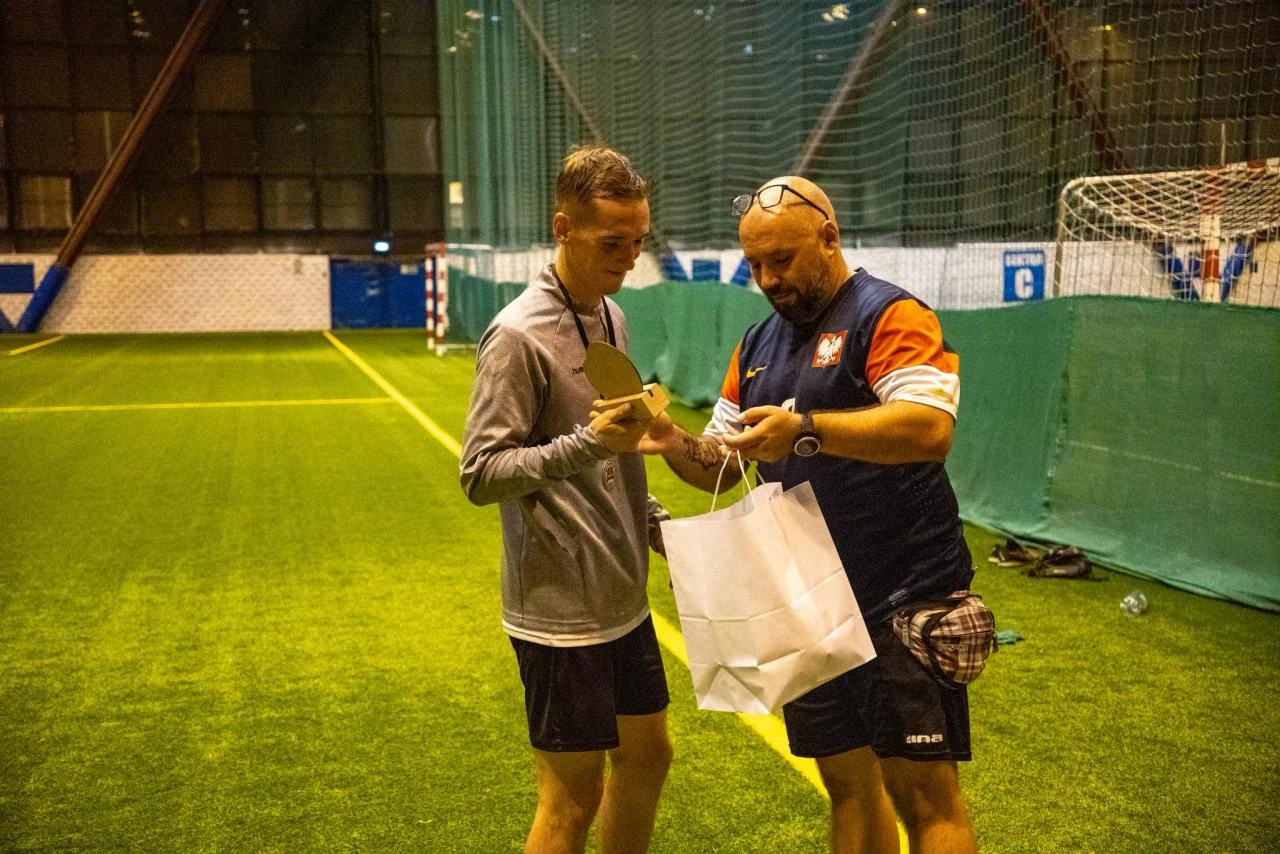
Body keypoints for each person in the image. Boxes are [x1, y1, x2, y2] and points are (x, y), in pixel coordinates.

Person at [642, 176, 978, 853]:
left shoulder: (890, 315)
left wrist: (806, 430)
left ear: (829, 237)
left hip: (903, 590)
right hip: (806, 599)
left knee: (924, 797)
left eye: (782, 259)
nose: (768, 279)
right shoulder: (757, 343)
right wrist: (669, 438)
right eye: (755, 264)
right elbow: (722, 463)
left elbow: (929, 427)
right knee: (848, 787)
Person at [459, 146, 673, 854]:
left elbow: (619, 451)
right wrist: (585, 444)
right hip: (560, 614)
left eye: (638, 242)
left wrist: (658, 527)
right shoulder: (517, 336)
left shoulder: (611, 316)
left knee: (649, 756)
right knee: (571, 800)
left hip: (622, 597)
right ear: (563, 228)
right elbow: (481, 473)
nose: (630, 258)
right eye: (613, 243)